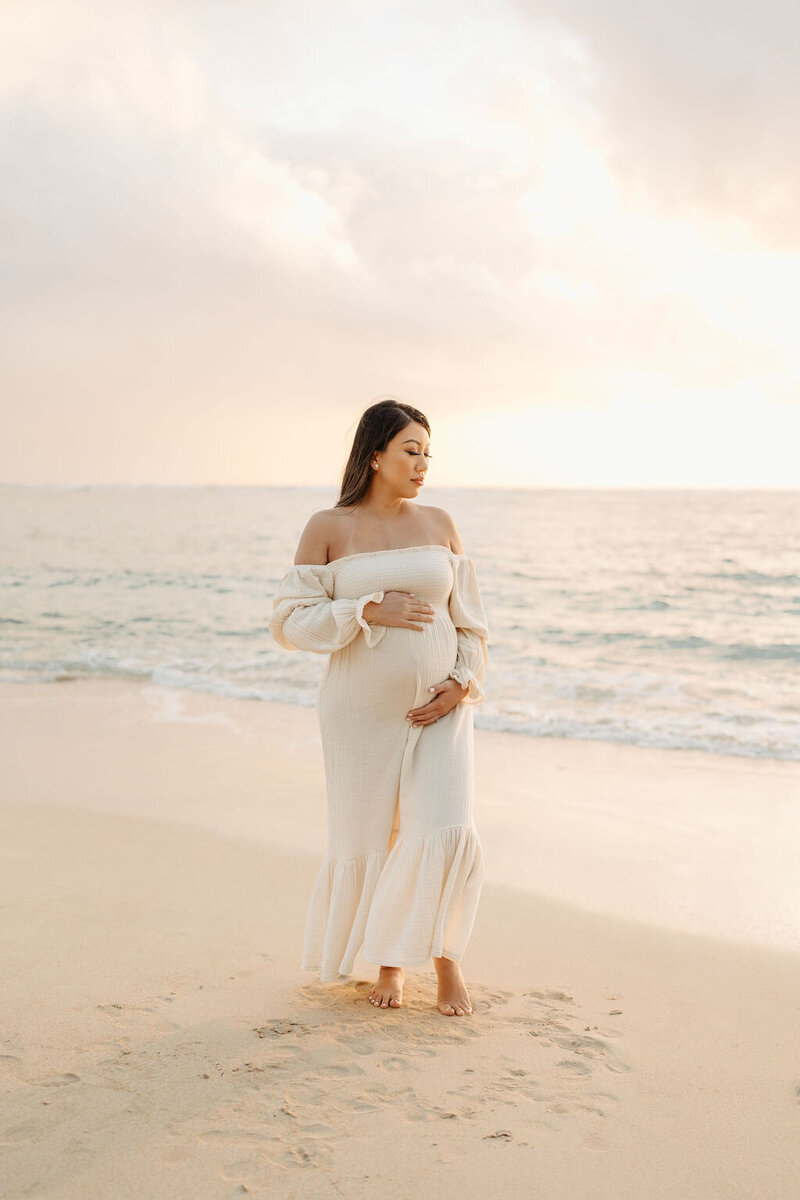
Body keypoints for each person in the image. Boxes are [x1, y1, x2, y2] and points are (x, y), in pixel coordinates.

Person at [269, 398, 489, 1016]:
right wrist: (365, 609)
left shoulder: (441, 524)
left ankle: (448, 963)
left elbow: (471, 624)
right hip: (359, 713)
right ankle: (389, 966)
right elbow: (289, 624)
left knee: (443, 826)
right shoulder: (328, 527)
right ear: (375, 455)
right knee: (380, 833)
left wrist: (462, 683)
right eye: (410, 451)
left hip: (440, 711)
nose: (422, 464)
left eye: (427, 453)